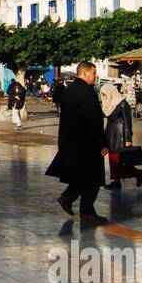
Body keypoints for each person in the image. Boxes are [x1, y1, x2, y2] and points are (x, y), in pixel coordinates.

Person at [45, 62, 109, 226]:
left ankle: (67, 198)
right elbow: (94, 120)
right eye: (94, 73)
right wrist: (102, 143)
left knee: (82, 177)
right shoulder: (87, 92)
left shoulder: (70, 90)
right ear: (85, 73)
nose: (95, 77)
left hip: (71, 142)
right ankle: (86, 212)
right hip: (87, 143)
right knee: (92, 180)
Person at [100, 82, 142, 189]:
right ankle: (116, 181)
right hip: (111, 135)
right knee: (113, 161)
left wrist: (128, 139)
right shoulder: (109, 105)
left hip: (120, 137)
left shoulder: (123, 104)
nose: (105, 97)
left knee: (120, 161)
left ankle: (137, 173)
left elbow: (127, 123)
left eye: (106, 94)